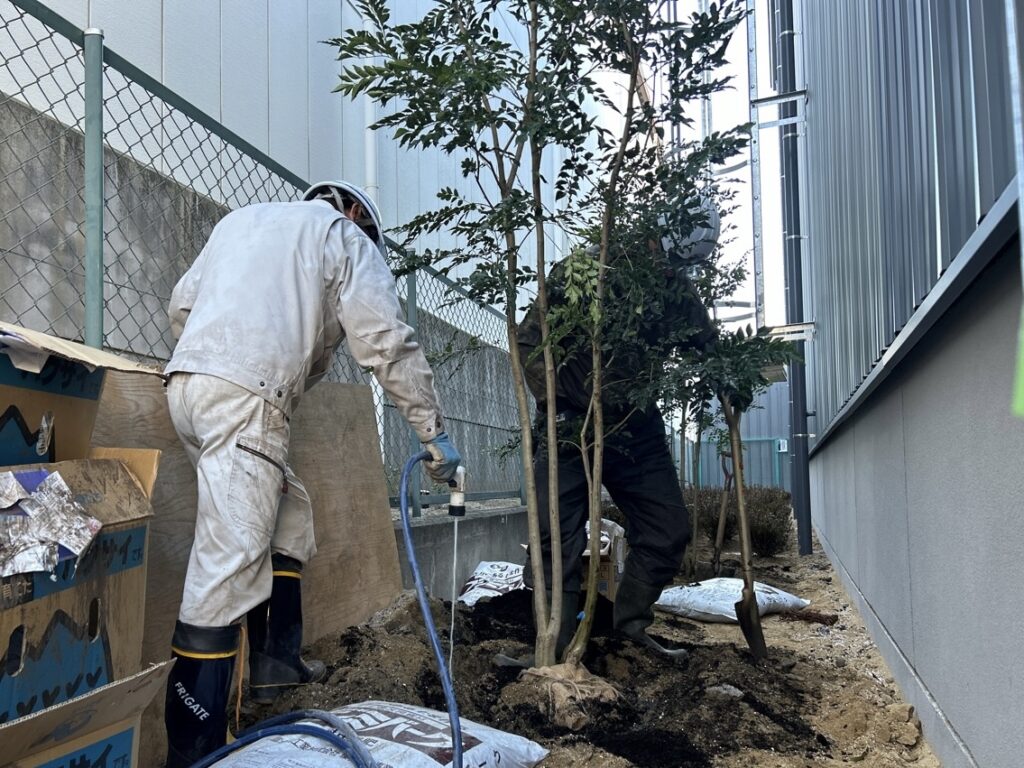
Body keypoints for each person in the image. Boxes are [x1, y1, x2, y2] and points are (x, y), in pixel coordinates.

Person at [162, 181, 461, 767]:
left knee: (287, 512)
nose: (367, 242)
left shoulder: (241, 219)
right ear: (352, 212)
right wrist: (433, 433)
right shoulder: (343, 237)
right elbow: (387, 343)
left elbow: (181, 306)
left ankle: (277, 662)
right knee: (224, 567)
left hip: (188, 385)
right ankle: (193, 748)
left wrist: (221, 354)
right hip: (246, 396)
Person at [516, 199, 719, 661]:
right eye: (668, 262)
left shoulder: (677, 292)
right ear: (653, 238)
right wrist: (561, 401)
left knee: (668, 527)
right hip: (570, 424)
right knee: (554, 538)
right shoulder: (584, 271)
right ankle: (555, 646)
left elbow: (706, 346)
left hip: (636, 429)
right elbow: (529, 340)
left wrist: (729, 381)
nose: (671, 273)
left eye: (682, 267)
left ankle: (629, 630)